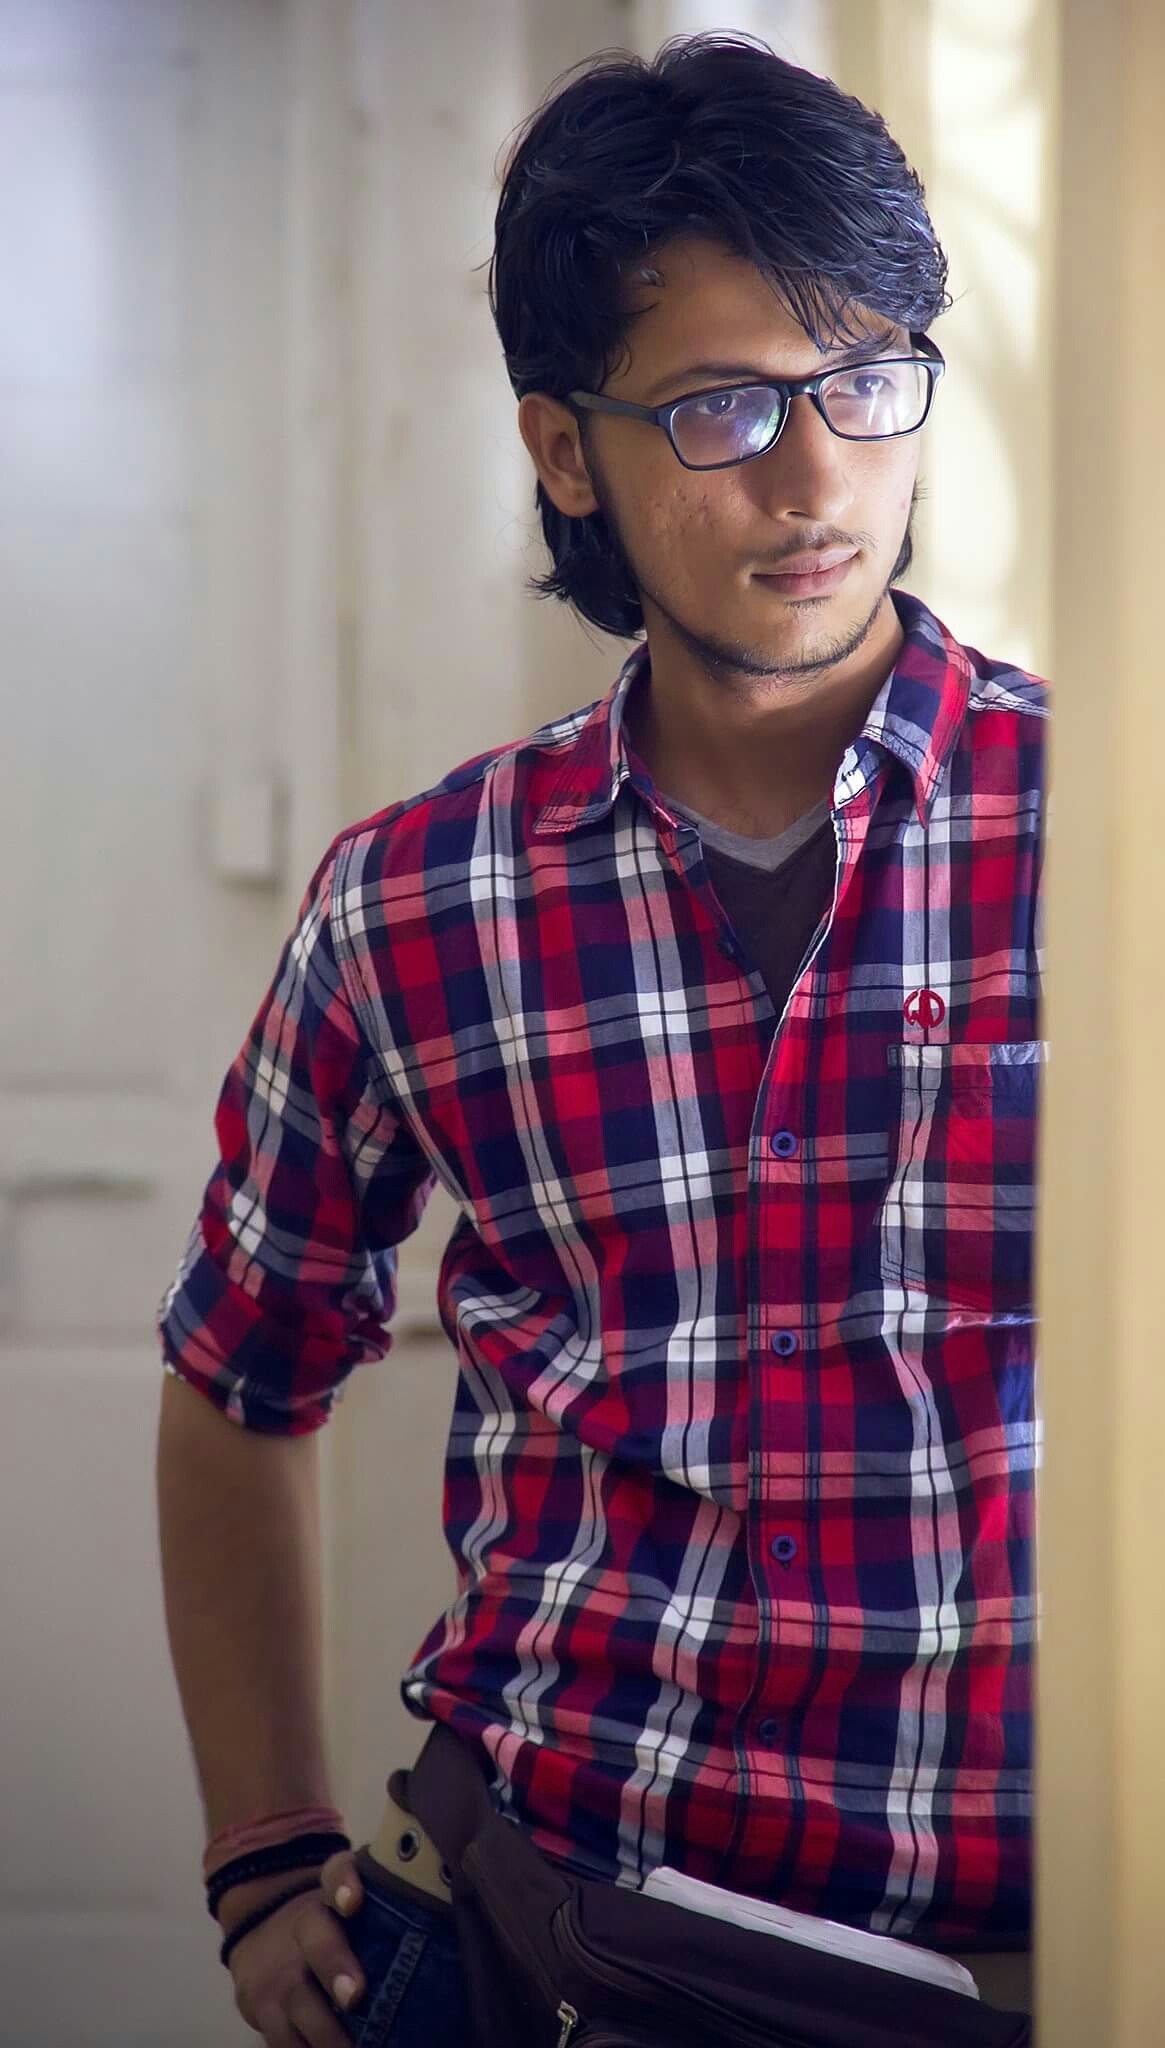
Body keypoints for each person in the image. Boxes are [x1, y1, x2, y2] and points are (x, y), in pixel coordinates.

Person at [155, 31, 1047, 2047]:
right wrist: (261, 1855)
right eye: (723, 407)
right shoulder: (417, 900)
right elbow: (234, 1375)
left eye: (867, 380)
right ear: (566, 451)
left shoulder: (1134, 835)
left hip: (1033, 1960)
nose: (816, 480)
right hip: (533, 1936)